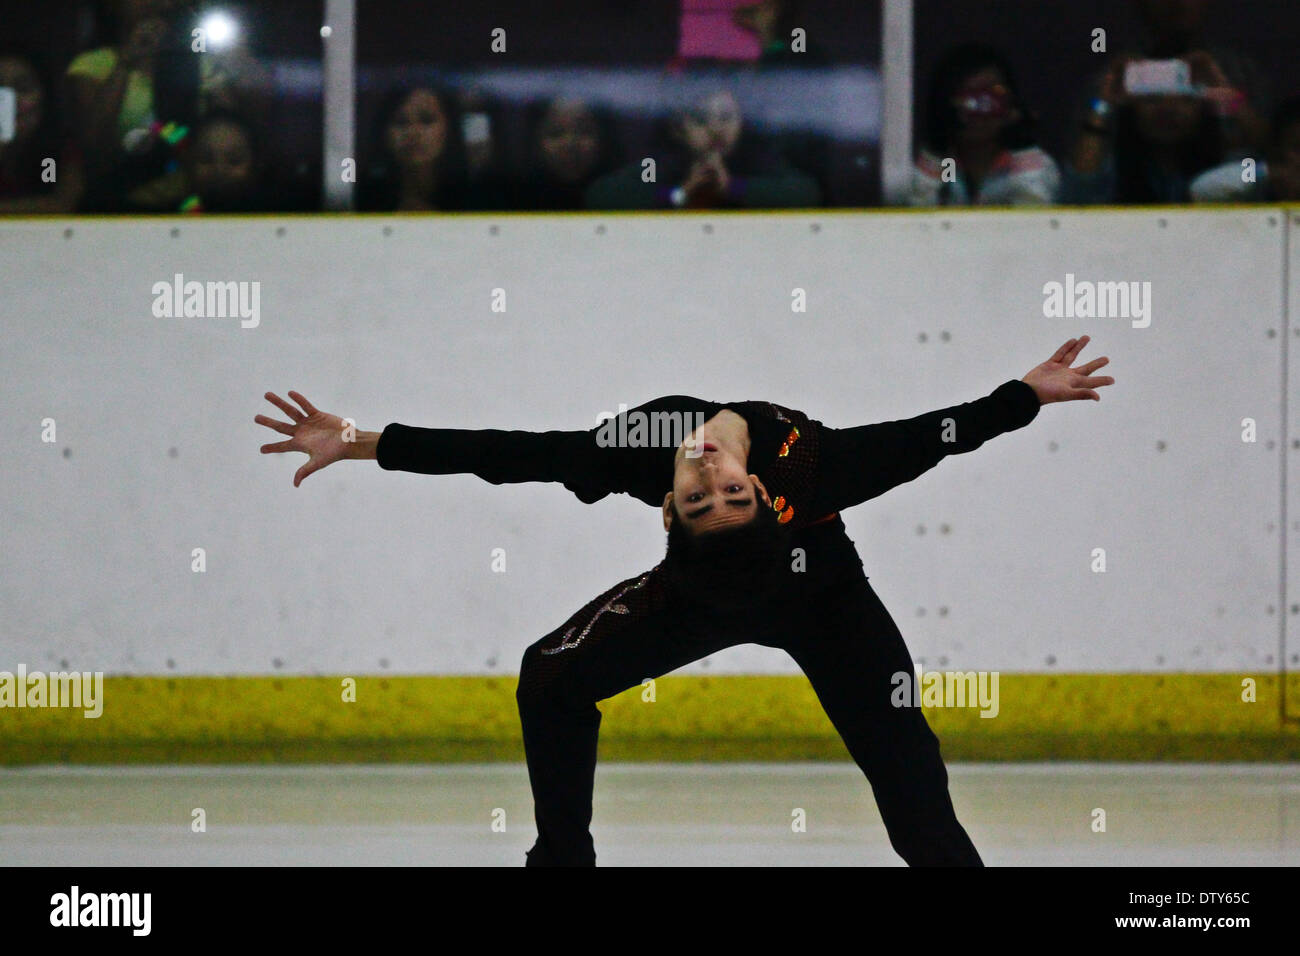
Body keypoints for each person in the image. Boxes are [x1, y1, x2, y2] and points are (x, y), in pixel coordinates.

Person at [255, 336, 1115, 865]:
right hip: (698, 591)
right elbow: (939, 434)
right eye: (719, 492)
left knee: (907, 769)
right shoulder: (809, 466)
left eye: (708, 495)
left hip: (820, 594)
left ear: (672, 514)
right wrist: (1025, 396)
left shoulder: (650, 455)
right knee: (550, 680)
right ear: (760, 497)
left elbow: (510, 454)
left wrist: (367, 445)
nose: (709, 476)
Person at [911, 43, 1060, 207]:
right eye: (969, 100)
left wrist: (1022, 145)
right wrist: (937, 149)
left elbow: (1034, 220)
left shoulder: (1029, 164)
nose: (981, 112)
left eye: (992, 99)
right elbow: (920, 219)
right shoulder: (943, 165)